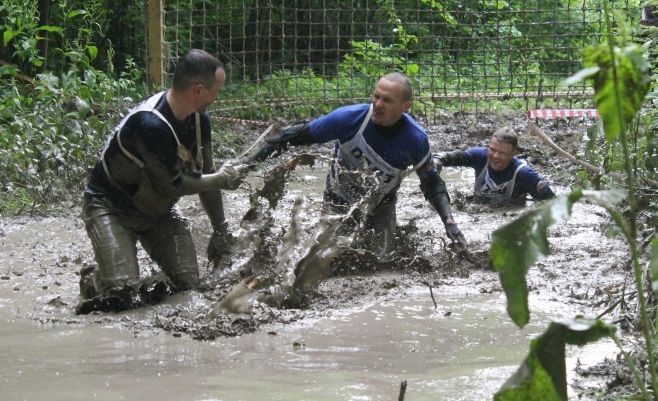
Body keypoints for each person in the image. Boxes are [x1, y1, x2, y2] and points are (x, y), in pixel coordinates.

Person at [77, 49, 246, 314]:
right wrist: (222, 180)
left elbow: (207, 172)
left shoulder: (200, 121)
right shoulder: (149, 125)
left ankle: (142, 277)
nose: (218, 97)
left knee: (189, 283)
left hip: (159, 210)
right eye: (217, 90)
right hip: (111, 207)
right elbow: (176, 185)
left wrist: (221, 229)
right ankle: (94, 280)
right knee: (121, 292)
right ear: (199, 90)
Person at [246, 73, 466, 259]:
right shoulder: (349, 119)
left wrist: (449, 222)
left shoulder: (416, 140)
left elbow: (432, 184)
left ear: (405, 107)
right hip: (338, 200)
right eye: (376, 97)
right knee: (322, 258)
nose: (378, 105)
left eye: (387, 101)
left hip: (381, 206)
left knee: (381, 263)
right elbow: (290, 136)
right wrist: (247, 166)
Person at [433, 126, 555, 207]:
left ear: (514, 153)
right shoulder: (480, 157)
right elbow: (454, 157)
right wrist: (438, 159)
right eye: (492, 149)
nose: (495, 156)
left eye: (502, 152)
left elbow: (553, 204)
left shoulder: (524, 174)